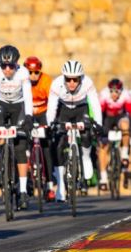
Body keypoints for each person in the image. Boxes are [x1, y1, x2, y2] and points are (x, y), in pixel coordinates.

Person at [0, 45, 34, 210]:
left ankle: (23, 191)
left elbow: (28, 96)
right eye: (4, 66)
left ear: (17, 64)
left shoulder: (23, 73)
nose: (8, 70)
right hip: (1, 104)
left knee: (20, 147)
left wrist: (29, 117)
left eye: (11, 66)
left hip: (19, 106)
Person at [46, 60, 102, 202]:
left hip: (80, 109)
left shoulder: (87, 82)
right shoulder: (56, 84)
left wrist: (98, 123)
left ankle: (86, 157)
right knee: (58, 143)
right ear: (63, 77)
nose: (71, 83)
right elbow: (51, 106)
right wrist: (50, 124)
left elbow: (95, 103)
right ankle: (60, 186)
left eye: (75, 79)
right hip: (63, 110)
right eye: (68, 79)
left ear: (80, 78)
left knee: (86, 134)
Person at [24, 56, 56, 201]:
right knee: (23, 145)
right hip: (28, 114)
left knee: (46, 148)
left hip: (43, 113)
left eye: (36, 72)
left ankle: (49, 185)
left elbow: (53, 102)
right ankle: (25, 180)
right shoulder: (23, 81)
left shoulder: (46, 81)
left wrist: (49, 123)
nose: (33, 76)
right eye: (30, 72)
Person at [97, 78, 131, 189]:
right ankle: (103, 178)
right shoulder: (104, 95)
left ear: (121, 91)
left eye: (117, 92)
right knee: (103, 146)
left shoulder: (126, 94)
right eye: (112, 91)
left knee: (126, 126)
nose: (114, 94)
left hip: (120, 117)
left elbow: (129, 112)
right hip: (107, 118)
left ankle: (124, 153)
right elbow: (99, 114)